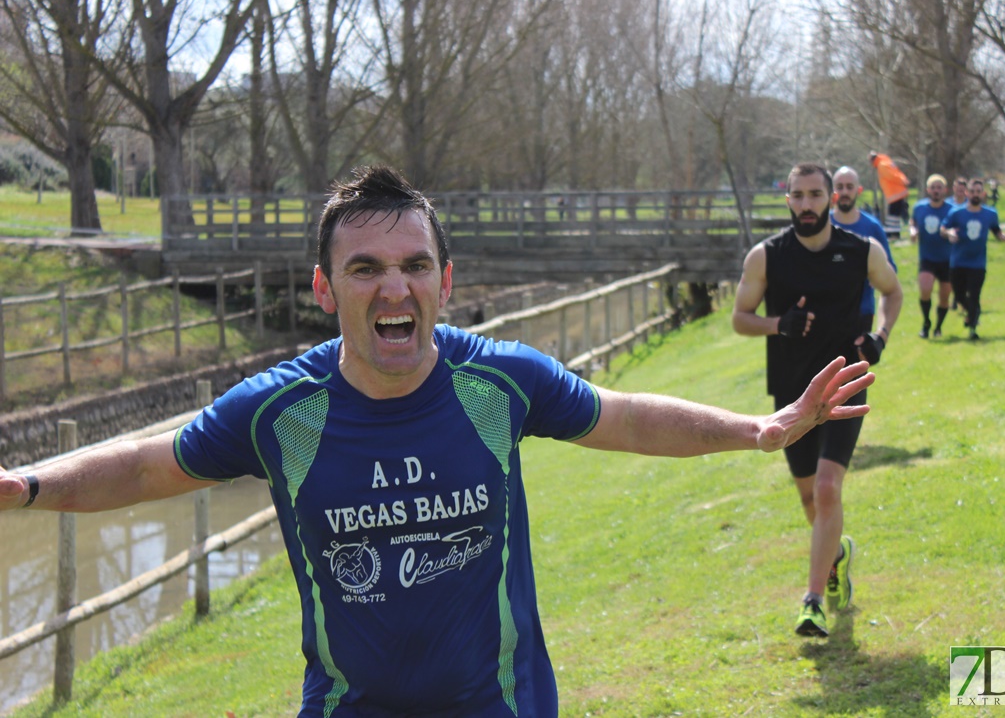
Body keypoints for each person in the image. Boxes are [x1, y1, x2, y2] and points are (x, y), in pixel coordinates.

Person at [0, 165, 876, 716]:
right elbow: (149, 465)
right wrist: (29, 486)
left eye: (415, 266)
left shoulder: (497, 382)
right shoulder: (279, 410)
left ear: (445, 281)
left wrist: (759, 431)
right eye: (367, 268)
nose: (395, 287)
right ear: (323, 288)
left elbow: (627, 416)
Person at [731, 162, 902, 639]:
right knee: (809, 496)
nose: (806, 204)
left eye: (814, 195)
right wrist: (777, 324)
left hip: (844, 386)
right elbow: (740, 318)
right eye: (797, 195)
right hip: (791, 394)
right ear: (786, 200)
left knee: (828, 488)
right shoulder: (766, 256)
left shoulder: (861, 249)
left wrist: (881, 336)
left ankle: (812, 602)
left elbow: (893, 292)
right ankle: (836, 554)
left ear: (832, 198)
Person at [831, 166, 898, 335]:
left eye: (849, 187)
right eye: (839, 187)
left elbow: (889, 270)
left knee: (856, 361)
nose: (844, 192)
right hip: (826, 311)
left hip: (862, 311)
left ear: (859, 190)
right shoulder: (822, 225)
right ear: (832, 192)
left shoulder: (872, 227)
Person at [940, 178, 1005, 341]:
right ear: (967, 193)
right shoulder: (957, 213)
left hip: (978, 263)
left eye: (979, 191)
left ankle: (972, 329)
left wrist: (1001, 236)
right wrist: (949, 234)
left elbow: (996, 230)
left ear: (983, 194)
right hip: (958, 261)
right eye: (973, 191)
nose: (976, 194)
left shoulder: (990, 214)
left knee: (974, 295)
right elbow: (943, 229)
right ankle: (971, 315)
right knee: (959, 294)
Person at [909, 174, 954, 338]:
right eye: (933, 187)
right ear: (928, 190)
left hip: (947, 259)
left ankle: (938, 327)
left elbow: (957, 228)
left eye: (939, 187)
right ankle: (926, 322)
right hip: (927, 257)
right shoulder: (920, 208)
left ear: (945, 190)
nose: (936, 190)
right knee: (925, 289)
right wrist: (913, 231)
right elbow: (913, 222)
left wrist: (951, 233)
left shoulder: (951, 210)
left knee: (944, 297)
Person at [868, 151, 911, 233]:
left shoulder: (882, 165)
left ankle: (892, 233)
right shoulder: (887, 162)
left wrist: (902, 181)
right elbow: (898, 173)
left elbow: (891, 176)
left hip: (894, 193)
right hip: (898, 192)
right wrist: (903, 180)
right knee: (896, 214)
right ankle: (895, 232)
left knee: (893, 214)